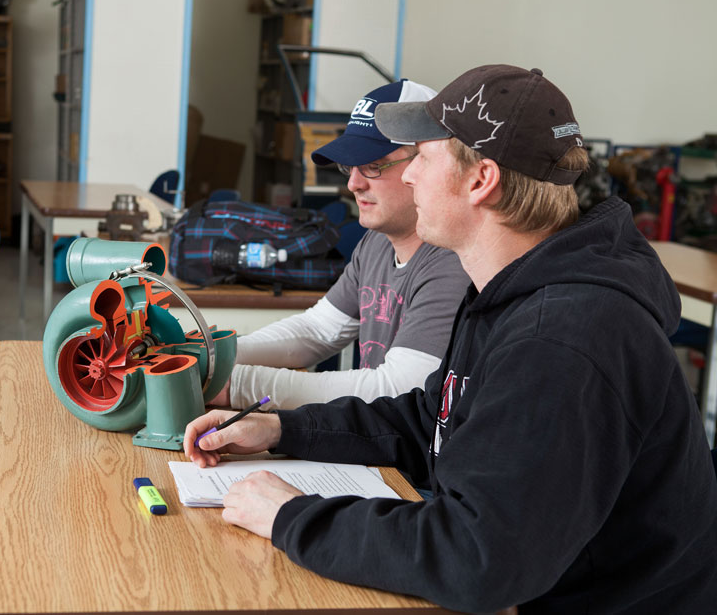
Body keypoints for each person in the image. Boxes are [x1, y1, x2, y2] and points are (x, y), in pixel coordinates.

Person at [185, 64, 717, 612]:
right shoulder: (507, 291)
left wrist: (288, 516)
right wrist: (281, 428)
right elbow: (429, 419)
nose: (409, 176)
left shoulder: (562, 336)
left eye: (423, 157)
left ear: (480, 180)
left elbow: (477, 557)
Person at [211, 80, 469, 410]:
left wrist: (239, 386)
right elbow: (319, 330)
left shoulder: (452, 261)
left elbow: (400, 388)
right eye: (350, 166)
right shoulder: (377, 242)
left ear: (426, 162)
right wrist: (218, 354)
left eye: (373, 166)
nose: (353, 184)